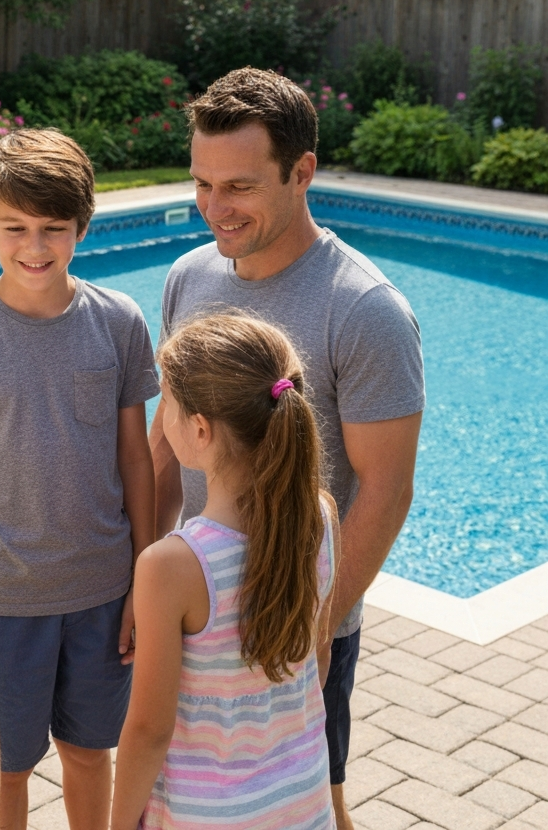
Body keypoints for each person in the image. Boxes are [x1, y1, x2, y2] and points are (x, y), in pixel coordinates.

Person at [151, 68, 425, 830]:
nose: (213, 208)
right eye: (202, 183)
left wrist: (314, 630)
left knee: (311, 802)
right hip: (197, 615)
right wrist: (145, 575)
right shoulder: (187, 277)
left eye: (238, 186)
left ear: (301, 171)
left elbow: (386, 489)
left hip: (296, 624)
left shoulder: (364, 310)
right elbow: (165, 445)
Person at [0, 129, 159, 830]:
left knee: (87, 753)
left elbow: (136, 458)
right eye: (15, 228)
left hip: (103, 592)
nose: (35, 247)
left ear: (83, 227)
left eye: (54, 229)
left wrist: (143, 574)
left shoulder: (119, 323)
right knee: (4, 768)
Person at [111, 312, 340, 829]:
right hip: (302, 801)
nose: (160, 414)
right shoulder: (321, 517)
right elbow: (317, 659)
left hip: (204, 814)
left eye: (165, 400)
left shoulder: (174, 565)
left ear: (199, 430)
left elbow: (148, 729)